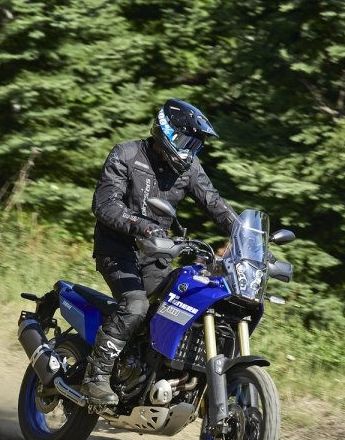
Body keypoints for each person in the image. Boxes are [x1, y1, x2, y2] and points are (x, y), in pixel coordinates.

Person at [81, 98, 239, 405]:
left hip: (155, 255)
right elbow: (104, 204)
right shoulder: (127, 154)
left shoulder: (190, 168)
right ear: (166, 131)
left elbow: (216, 205)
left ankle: (151, 373)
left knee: (183, 302)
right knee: (136, 305)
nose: (190, 150)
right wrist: (143, 226)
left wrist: (245, 236)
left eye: (195, 145)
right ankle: (95, 377)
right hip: (117, 249)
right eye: (186, 141)